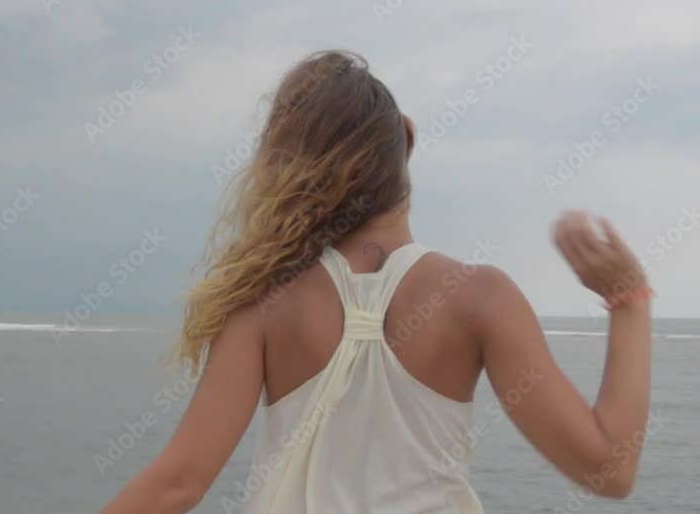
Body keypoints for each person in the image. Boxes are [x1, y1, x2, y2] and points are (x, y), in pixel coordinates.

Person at [100, 50, 653, 513]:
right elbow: (610, 469)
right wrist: (628, 299)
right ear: (406, 141)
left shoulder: (262, 302)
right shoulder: (480, 295)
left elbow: (177, 485)